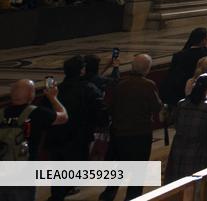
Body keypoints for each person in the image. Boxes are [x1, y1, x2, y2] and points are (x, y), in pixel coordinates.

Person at [99, 55, 162, 201]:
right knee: (138, 172)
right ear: (147, 69)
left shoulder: (120, 84)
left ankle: (108, 196)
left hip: (119, 132)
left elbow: (110, 106)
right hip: (140, 134)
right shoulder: (148, 85)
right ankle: (132, 197)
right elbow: (156, 106)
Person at [46, 55, 107, 201]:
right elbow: (100, 109)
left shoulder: (56, 90)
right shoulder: (88, 88)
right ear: (82, 71)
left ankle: (57, 195)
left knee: (58, 171)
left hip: (57, 137)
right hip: (78, 137)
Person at [1, 79, 66, 201]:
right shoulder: (37, 113)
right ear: (31, 95)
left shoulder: (1, 113)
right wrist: (53, 98)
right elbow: (63, 116)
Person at [165, 74, 207, 183]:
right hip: (199, 152)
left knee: (178, 182)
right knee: (196, 184)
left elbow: (176, 124)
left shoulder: (182, 104)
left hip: (178, 150)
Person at [161, 28, 207, 108]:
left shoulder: (178, 55)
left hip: (176, 95)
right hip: (196, 94)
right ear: (203, 41)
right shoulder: (206, 56)